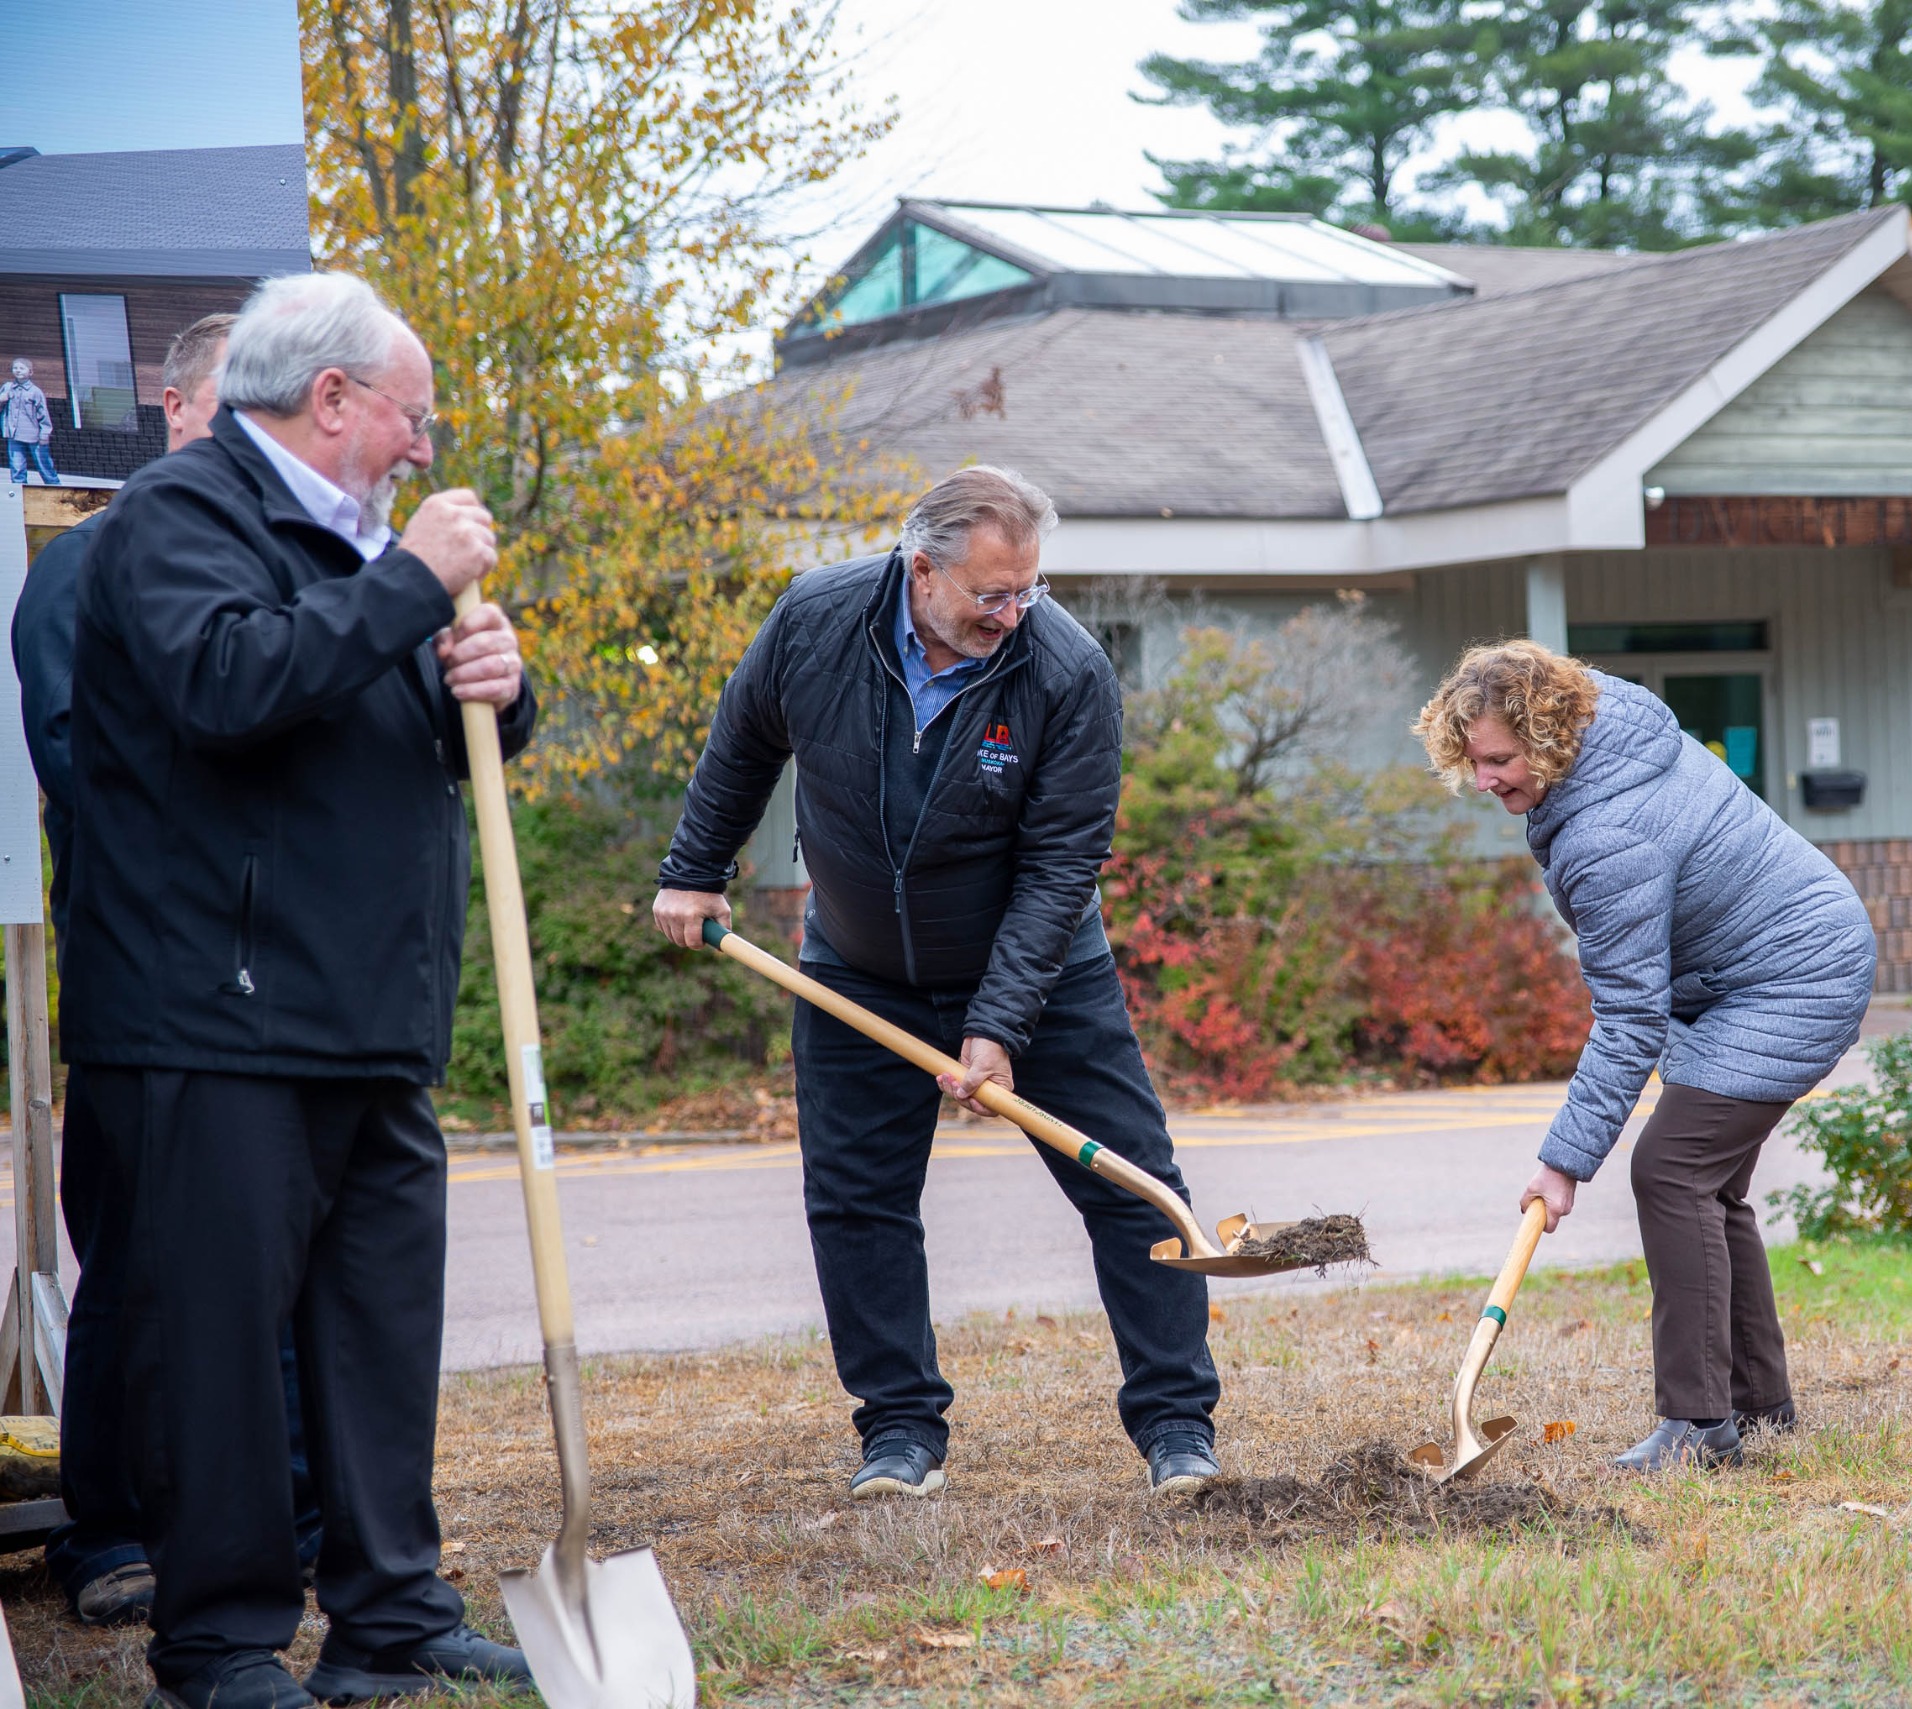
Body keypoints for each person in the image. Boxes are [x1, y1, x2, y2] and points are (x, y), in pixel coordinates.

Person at [61, 270, 538, 1709]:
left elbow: (411, 745)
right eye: (414, 416)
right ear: (332, 399)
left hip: (371, 1018)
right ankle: (220, 1641)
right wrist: (410, 588)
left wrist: (499, 690)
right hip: (217, 1016)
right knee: (214, 1349)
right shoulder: (176, 520)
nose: (424, 447)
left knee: (379, 1339)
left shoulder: (365, 547)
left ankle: (390, 1614)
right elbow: (228, 686)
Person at [653, 465, 1223, 1501]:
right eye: (989, 594)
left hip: (1043, 968)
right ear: (921, 569)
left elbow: (1061, 867)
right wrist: (693, 868)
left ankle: (1178, 1424)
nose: (1011, 614)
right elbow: (743, 742)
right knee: (858, 1203)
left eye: (1028, 591)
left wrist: (999, 1023)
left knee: (1132, 1184)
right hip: (858, 968)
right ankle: (900, 1431)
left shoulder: (1065, 670)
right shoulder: (818, 620)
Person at [12, 314, 325, 1630]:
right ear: (179, 409)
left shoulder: (304, 569)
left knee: (287, 1269)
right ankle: (113, 1526)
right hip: (152, 983)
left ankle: (295, 1517)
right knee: (138, 1260)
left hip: (289, 993)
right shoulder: (88, 567)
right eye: (236, 411)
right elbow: (93, 770)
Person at [1414, 641, 1876, 1472]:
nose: (1483, 779)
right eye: (1472, 760)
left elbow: (1630, 1017)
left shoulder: (1608, 835)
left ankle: (1700, 1425)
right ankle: (1758, 1405)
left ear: (1550, 736)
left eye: (1499, 758)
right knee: (1706, 1179)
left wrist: (1563, 1163)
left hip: (1794, 976)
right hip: (1769, 961)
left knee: (1673, 1169)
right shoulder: (1611, 725)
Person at [4, 358, 60, 484]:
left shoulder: (35, 392)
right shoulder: (8, 387)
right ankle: (20, 493)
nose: (18, 370)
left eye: (22, 368)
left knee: (44, 465)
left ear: (30, 372)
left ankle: (56, 488)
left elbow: (43, 414)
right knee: (17, 468)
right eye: (15, 368)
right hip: (14, 435)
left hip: (33, 435)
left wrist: (45, 434)